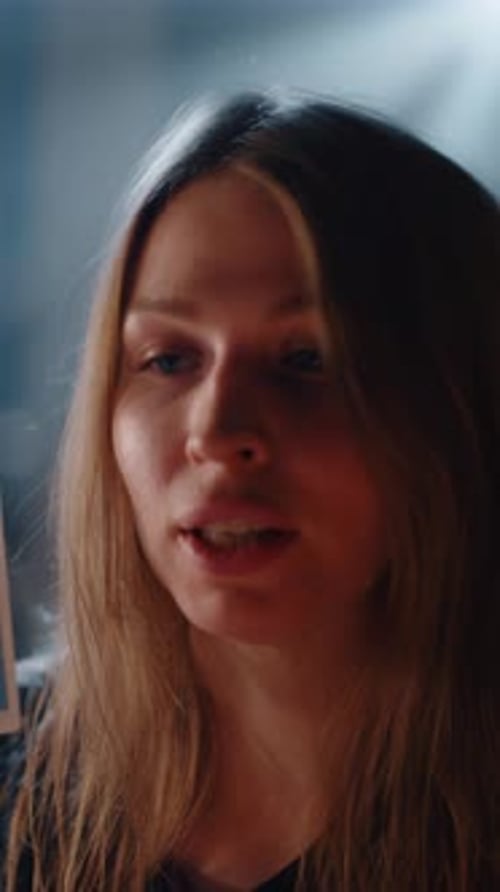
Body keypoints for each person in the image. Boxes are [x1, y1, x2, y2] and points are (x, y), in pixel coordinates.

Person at [2, 90, 500, 891]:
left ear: (466, 403)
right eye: (169, 359)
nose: (218, 430)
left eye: (308, 359)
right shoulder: (16, 784)